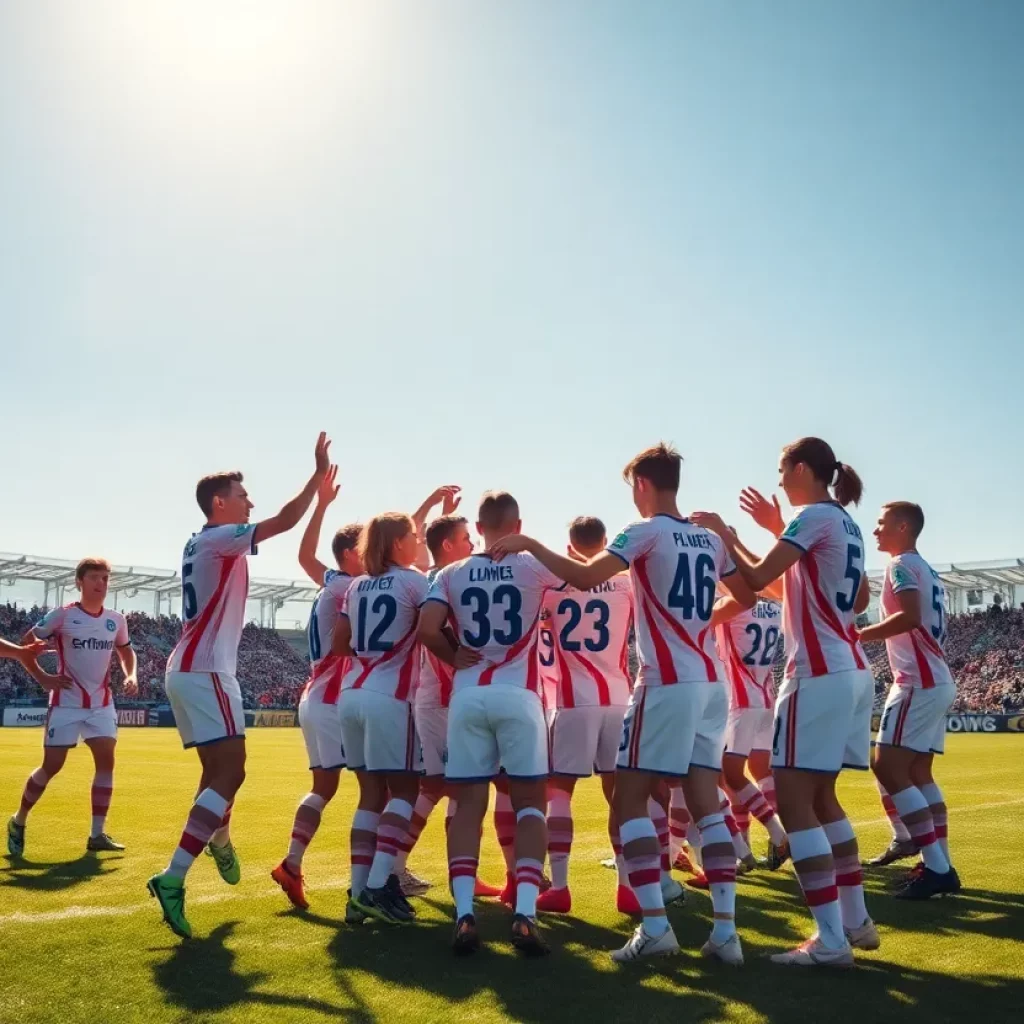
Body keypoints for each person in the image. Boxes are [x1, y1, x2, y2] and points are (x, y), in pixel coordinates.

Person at [488, 445, 756, 966]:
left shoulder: (644, 531)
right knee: (705, 799)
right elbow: (745, 598)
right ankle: (726, 933)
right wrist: (699, 623)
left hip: (664, 683)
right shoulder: (707, 538)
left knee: (629, 798)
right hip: (710, 681)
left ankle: (655, 926)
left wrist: (529, 544)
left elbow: (587, 577)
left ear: (641, 485)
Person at [692, 435, 878, 968]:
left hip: (816, 674)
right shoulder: (843, 521)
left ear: (800, 468)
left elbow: (751, 580)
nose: (777, 479)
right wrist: (771, 534)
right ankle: (855, 921)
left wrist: (726, 536)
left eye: (781, 469)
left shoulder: (814, 517)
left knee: (796, 805)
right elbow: (789, 590)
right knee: (823, 801)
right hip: (848, 670)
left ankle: (830, 942)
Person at [148, 433, 332, 939]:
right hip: (207, 669)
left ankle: (220, 838)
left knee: (216, 773)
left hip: (188, 666)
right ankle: (173, 876)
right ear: (219, 503)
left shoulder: (199, 540)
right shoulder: (218, 537)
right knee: (232, 774)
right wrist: (317, 477)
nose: (250, 501)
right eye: (242, 494)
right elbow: (286, 522)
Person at [418, 490, 561, 957]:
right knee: (529, 806)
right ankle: (524, 911)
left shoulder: (451, 571)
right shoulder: (531, 565)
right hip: (519, 695)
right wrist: (533, 543)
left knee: (466, 808)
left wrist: (451, 653)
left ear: (478, 529)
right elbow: (578, 575)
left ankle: (463, 914)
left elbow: (427, 629)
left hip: (468, 694)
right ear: (516, 523)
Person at [537, 515, 639, 916]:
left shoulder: (551, 585)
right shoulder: (627, 583)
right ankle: (628, 887)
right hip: (619, 696)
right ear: (606, 540)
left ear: (570, 543)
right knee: (622, 796)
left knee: (559, 793)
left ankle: (560, 887)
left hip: (573, 699)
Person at [858, 502, 960, 899]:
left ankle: (936, 867)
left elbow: (911, 616)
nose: (876, 530)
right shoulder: (927, 569)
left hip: (917, 681)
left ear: (902, 526)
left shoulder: (900, 565)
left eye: (882, 523)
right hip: (935, 677)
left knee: (887, 766)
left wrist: (858, 634)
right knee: (919, 774)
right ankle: (940, 863)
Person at [398, 513, 502, 899]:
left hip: (437, 698)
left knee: (443, 786)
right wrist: (457, 657)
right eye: (464, 539)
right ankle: (399, 868)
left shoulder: (442, 580)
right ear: (447, 546)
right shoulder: (442, 582)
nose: (472, 545)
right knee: (454, 787)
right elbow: (433, 636)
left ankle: (402, 867)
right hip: (442, 699)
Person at [272, 466, 363, 909]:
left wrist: (323, 505)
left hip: (319, 696)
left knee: (326, 787)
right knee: (383, 787)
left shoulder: (336, 583)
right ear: (351, 553)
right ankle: (380, 878)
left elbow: (306, 558)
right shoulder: (351, 588)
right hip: (335, 699)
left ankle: (292, 864)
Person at [333, 513, 429, 924]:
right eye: (412, 535)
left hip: (351, 692)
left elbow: (339, 644)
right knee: (406, 791)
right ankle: (375, 885)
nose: (418, 539)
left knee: (370, 795)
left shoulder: (355, 586)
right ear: (396, 544)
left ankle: (357, 894)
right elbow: (434, 630)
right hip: (390, 697)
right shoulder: (414, 581)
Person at [8, 558, 136, 856]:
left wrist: (131, 675)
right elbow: (25, 646)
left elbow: (126, 651)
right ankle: (19, 820)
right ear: (80, 582)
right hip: (66, 703)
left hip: (102, 704)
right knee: (52, 767)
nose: (101, 584)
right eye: (94, 578)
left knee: (106, 763)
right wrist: (43, 677)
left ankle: (97, 834)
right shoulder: (62, 616)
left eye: (105, 578)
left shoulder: (116, 619)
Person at [716, 591, 790, 868]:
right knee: (761, 771)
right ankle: (758, 842)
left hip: (741, 699)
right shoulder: (773, 608)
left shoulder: (733, 605)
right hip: (765, 697)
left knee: (730, 774)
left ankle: (778, 833)